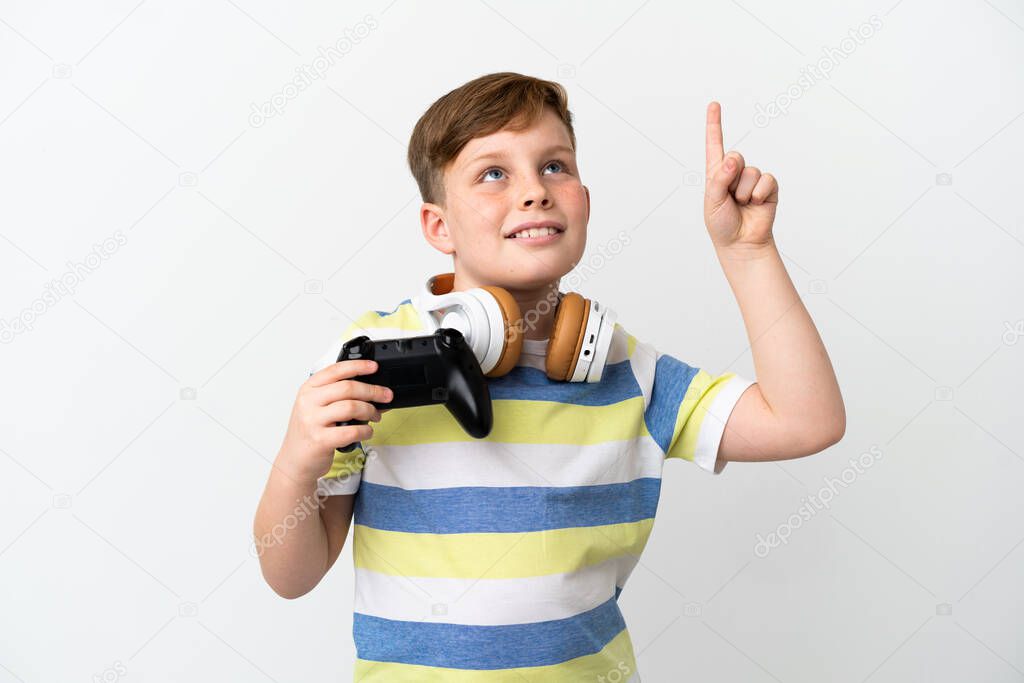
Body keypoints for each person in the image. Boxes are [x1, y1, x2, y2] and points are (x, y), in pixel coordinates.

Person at [253, 72, 845, 681]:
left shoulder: (628, 372)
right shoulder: (372, 362)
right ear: (439, 226)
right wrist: (297, 461)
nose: (534, 191)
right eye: (493, 173)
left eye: (555, 166)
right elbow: (290, 577)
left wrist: (749, 254)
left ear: (585, 201)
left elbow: (806, 423)